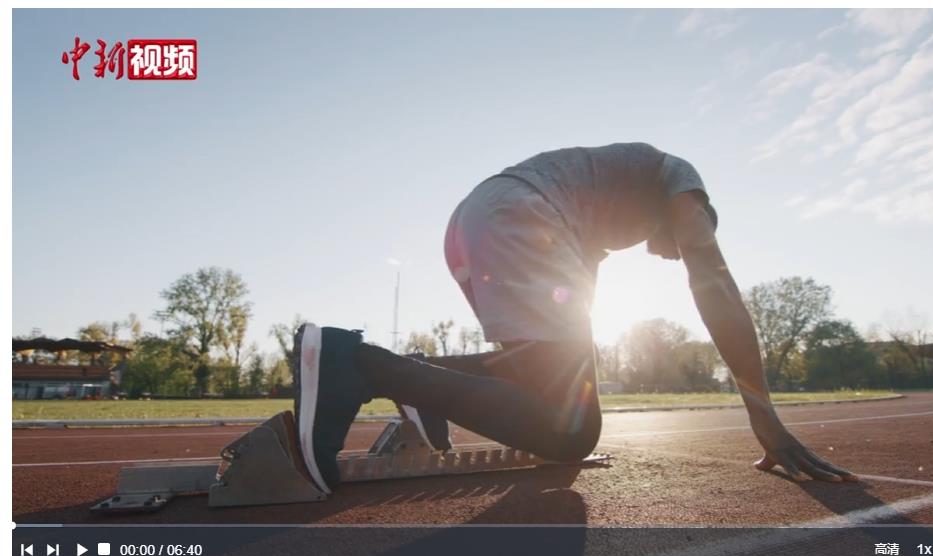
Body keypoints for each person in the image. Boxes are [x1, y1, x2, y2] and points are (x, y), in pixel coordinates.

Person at [291, 142, 856, 494]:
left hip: (477, 220)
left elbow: (569, 329)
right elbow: (716, 286)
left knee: (543, 387)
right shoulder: (681, 182)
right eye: (686, 239)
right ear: (698, 212)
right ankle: (358, 363)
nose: (676, 251)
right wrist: (764, 416)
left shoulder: (604, 209)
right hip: (523, 212)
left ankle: (418, 376)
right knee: (572, 435)